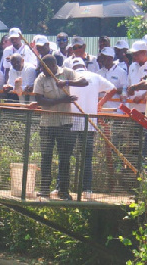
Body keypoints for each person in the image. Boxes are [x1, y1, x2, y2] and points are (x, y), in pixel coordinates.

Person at [33, 54, 88, 200]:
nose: (42, 70)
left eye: (45, 67)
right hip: (47, 124)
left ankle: (63, 190)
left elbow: (84, 81)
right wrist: (61, 100)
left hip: (65, 123)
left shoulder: (66, 73)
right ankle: (44, 189)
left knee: (64, 157)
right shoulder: (40, 78)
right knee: (46, 156)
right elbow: (40, 100)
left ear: (53, 65)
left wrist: (67, 83)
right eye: (41, 67)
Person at [69, 57, 116, 194]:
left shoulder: (70, 77)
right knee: (87, 156)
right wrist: (99, 104)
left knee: (66, 154)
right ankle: (87, 189)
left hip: (72, 121)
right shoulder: (95, 76)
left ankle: (63, 188)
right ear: (84, 66)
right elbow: (113, 89)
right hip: (89, 122)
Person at [97, 47, 127, 112]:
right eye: (102, 57)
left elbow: (124, 89)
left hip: (116, 110)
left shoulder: (121, 72)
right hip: (101, 110)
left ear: (110, 58)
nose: (102, 59)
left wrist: (112, 90)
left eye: (104, 57)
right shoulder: (98, 73)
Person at [126, 41, 147, 113]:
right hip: (133, 108)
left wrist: (142, 96)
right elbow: (128, 84)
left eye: (136, 54)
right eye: (133, 54)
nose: (134, 57)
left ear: (144, 52)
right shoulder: (132, 66)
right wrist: (127, 92)